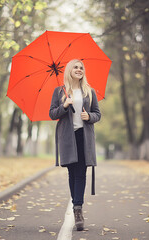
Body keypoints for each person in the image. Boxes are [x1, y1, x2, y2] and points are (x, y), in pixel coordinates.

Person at [49, 59, 101, 231]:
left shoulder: (89, 92)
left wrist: (89, 117)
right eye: (75, 67)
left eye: (81, 68)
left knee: (81, 172)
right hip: (67, 137)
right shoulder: (59, 92)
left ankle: (77, 208)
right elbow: (52, 114)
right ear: (69, 71)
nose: (79, 70)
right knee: (72, 172)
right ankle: (76, 206)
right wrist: (64, 106)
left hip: (84, 137)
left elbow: (97, 114)